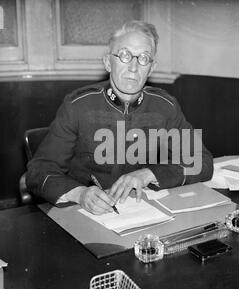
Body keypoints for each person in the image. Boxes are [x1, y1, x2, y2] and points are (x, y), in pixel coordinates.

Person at [26, 21, 213, 215]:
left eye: (143, 58)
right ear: (108, 62)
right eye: (124, 55)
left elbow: (202, 162)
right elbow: (39, 170)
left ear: (151, 68)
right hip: (85, 214)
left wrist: (149, 174)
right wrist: (80, 194)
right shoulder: (78, 106)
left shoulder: (165, 107)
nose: (133, 67)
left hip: (144, 213)